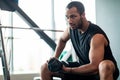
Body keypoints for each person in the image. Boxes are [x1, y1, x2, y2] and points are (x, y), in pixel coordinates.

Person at [40, 1, 119, 80]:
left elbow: (94, 67)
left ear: (83, 15)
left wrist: (69, 70)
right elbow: (62, 40)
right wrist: (55, 58)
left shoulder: (96, 36)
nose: (69, 21)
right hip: (82, 67)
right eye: (67, 17)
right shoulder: (71, 29)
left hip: (98, 72)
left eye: (73, 16)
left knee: (105, 65)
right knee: (45, 67)